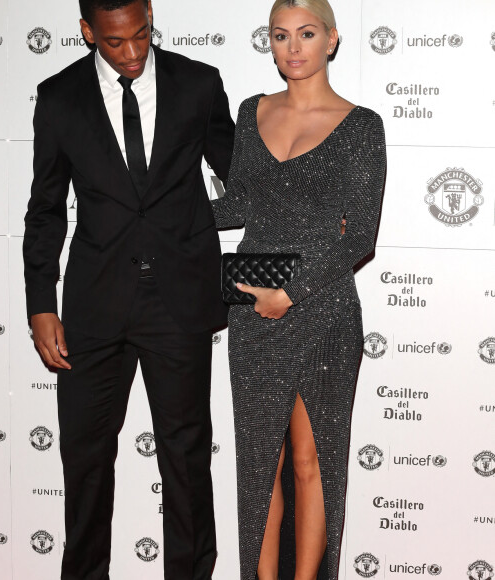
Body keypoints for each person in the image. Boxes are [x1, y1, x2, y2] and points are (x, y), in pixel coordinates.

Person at [22, 0, 235, 578]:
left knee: (187, 460)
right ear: (88, 31)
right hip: (95, 306)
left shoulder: (198, 83)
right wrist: (41, 301)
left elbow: (244, 177)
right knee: (85, 461)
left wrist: (311, 207)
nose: (134, 53)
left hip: (180, 301)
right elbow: (45, 210)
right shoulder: (60, 96)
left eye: (142, 35)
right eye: (115, 42)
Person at [211, 1, 386, 579]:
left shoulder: (362, 126)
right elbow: (237, 206)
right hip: (253, 305)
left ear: (331, 40)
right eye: (280, 35)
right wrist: (160, 206)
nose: (292, 47)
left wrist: (292, 292)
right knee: (261, 462)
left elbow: (359, 237)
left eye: (306, 34)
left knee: (313, 462)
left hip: (323, 309)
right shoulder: (249, 111)